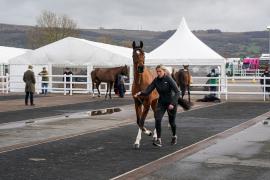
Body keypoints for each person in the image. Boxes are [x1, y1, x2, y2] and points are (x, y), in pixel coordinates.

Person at [134, 64, 180, 147]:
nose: (158, 73)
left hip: (171, 103)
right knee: (157, 119)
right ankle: (159, 139)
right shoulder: (156, 80)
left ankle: (174, 136)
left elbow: (177, 92)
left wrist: (172, 103)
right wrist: (140, 93)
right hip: (161, 102)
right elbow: (148, 90)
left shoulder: (169, 79)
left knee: (171, 122)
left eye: (160, 71)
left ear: (164, 71)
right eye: (157, 71)